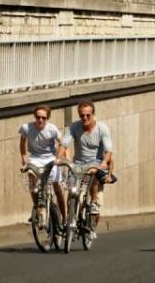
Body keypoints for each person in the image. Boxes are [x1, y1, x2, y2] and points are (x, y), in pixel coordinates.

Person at [63, 100, 116, 234]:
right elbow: (64, 145)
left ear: (93, 114)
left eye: (88, 115)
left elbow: (109, 151)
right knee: (72, 194)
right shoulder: (74, 127)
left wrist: (103, 163)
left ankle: (92, 220)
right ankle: (71, 220)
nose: (85, 118)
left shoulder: (102, 128)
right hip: (79, 165)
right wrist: (58, 159)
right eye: (82, 115)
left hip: (96, 164)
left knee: (95, 206)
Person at [19, 105, 67, 228]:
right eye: (38, 117)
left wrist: (63, 159)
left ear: (47, 118)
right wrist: (24, 159)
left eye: (43, 118)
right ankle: (38, 208)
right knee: (32, 180)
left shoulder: (52, 129)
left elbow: (62, 144)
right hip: (35, 158)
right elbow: (22, 144)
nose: (40, 120)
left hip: (51, 158)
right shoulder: (26, 128)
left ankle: (64, 217)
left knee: (57, 187)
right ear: (35, 117)